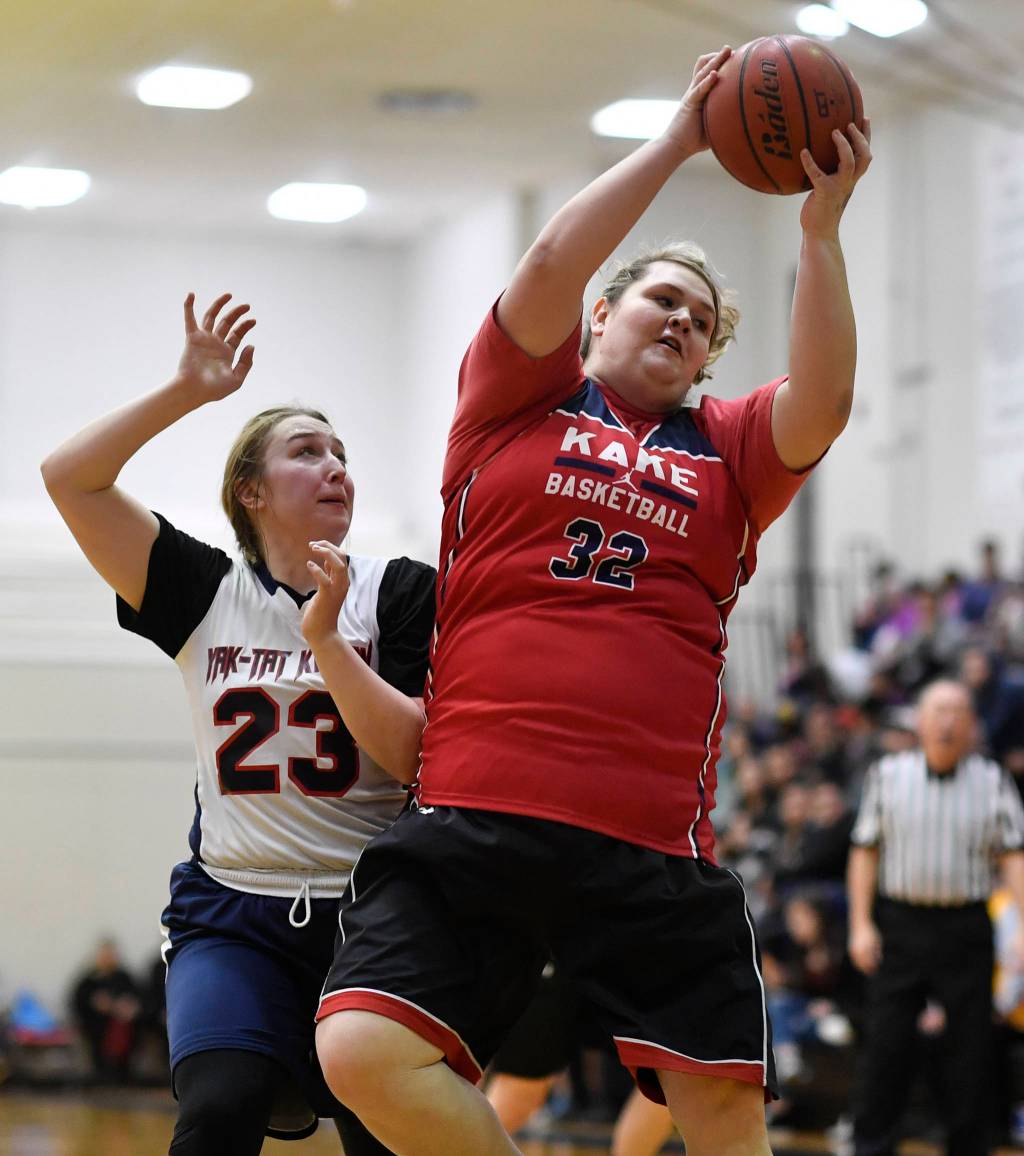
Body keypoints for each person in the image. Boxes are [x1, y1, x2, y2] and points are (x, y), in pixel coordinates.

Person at [314, 45, 872, 1156]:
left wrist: (818, 234)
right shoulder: (515, 400)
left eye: (702, 322)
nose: (680, 323)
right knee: (360, 1049)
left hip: (649, 836)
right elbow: (543, 263)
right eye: (662, 299)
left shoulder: (725, 448)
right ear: (603, 311)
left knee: (719, 1111)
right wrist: (677, 139)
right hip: (478, 804)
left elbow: (825, 399)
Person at [41, 293, 436, 1155]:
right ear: (250, 490)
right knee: (221, 1107)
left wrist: (326, 640)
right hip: (231, 908)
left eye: (341, 453)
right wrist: (185, 391)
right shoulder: (202, 590)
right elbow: (68, 477)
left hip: (373, 911)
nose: (336, 466)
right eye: (307, 451)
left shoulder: (401, 590)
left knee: (385, 1133)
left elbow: (409, 752)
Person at [847, 679, 1024, 1156]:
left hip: (965, 925)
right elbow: (864, 851)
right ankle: (870, 1146)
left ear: (972, 724)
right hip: (900, 925)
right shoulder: (887, 774)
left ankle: (969, 1148)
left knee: (970, 1053)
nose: (948, 720)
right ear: (920, 722)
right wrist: (861, 924)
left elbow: (1013, 857)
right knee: (886, 1047)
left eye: (958, 711)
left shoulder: (993, 780)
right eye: (939, 710)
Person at [69, 938, 143, 1084]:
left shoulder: (124, 977)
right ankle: (101, 1074)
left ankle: (124, 1074)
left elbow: (138, 1000)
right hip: (96, 1025)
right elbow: (78, 1003)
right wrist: (96, 1004)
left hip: (123, 1024)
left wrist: (128, 1007)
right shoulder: (88, 980)